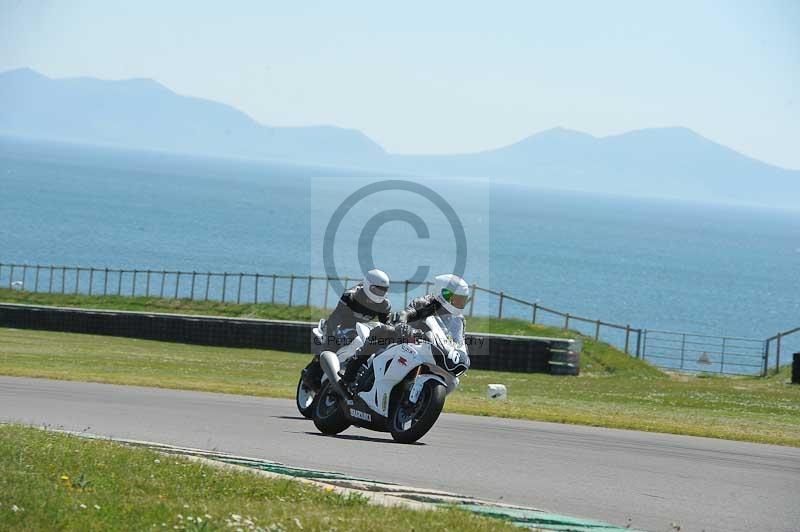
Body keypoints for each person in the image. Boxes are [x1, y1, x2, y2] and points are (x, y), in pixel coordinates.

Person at [342, 273, 471, 391]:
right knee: (382, 331)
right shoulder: (425, 303)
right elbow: (406, 313)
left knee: (454, 381)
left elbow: (459, 341)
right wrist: (403, 324)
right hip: (405, 339)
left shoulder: (458, 320)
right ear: (444, 294)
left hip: (430, 351)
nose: (459, 304)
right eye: (457, 299)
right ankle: (349, 377)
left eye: (462, 300)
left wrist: (462, 353)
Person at [303, 269, 391, 388]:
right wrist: (329, 338)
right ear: (367, 284)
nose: (379, 292)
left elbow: (387, 325)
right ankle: (311, 373)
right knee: (332, 344)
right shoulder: (351, 295)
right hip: (342, 326)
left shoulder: (384, 304)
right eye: (376, 289)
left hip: (362, 330)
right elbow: (336, 317)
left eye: (383, 290)